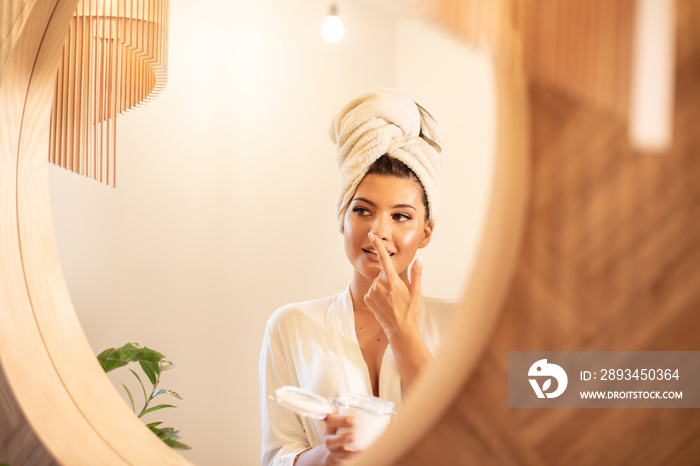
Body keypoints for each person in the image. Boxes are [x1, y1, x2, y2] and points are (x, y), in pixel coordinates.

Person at [259, 89, 456, 466]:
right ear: (342, 218)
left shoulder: (463, 324)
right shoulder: (291, 326)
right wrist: (329, 455)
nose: (377, 232)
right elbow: (276, 459)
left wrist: (404, 333)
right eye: (363, 210)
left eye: (401, 216)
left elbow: (467, 445)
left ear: (426, 233)